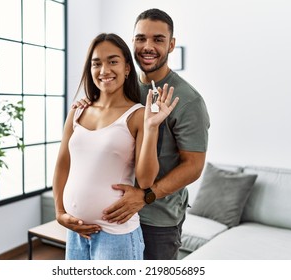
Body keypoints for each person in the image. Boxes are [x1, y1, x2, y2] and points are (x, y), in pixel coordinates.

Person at [73, 9, 210, 260]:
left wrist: (146, 196)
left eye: (158, 39)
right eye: (141, 38)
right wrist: (88, 106)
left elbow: (194, 165)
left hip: (156, 221)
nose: (148, 46)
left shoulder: (188, 100)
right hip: (111, 219)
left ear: (171, 45)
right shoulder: (123, 87)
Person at [52, 33, 179, 260]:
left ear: (127, 68)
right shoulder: (78, 111)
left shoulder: (139, 115)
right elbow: (63, 164)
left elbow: (146, 180)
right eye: (96, 63)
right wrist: (60, 212)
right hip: (76, 232)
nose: (104, 70)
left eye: (113, 61)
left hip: (116, 235)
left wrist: (151, 128)